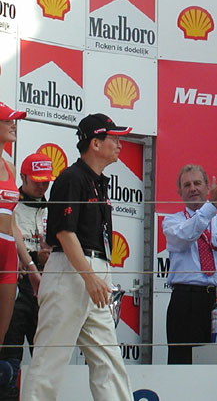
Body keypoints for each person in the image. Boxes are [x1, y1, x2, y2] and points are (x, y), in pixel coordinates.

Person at [20, 113, 133, 401]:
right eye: (113, 138)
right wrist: (89, 276)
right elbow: (64, 233)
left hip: (94, 269)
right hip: (72, 270)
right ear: (95, 143)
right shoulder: (71, 178)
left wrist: (95, 276)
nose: (119, 144)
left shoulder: (98, 181)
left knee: (108, 359)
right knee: (50, 358)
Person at [162, 164, 217, 364]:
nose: (193, 188)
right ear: (180, 192)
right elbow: (185, 236)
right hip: (186, 300)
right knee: (183, 363)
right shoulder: (172, 221)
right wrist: (211, 206)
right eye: (187, 185)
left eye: (197, 183)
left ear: (207, 187)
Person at [0, 153, 55, 401]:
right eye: (37, 181)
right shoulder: (12, 204)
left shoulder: (54, 210)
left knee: (44, 354)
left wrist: (51, 255)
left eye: (46, 181)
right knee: (10, 353)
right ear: (22, 177)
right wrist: (34, 257)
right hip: (18, 284)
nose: (42, 186)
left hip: (45, 286)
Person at [0, 103, 41, 392]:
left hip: (8, 256)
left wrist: (30, 267)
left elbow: (12, 223)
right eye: (8, 120)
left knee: (1, 339)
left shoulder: (10, 167)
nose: (14, 125)